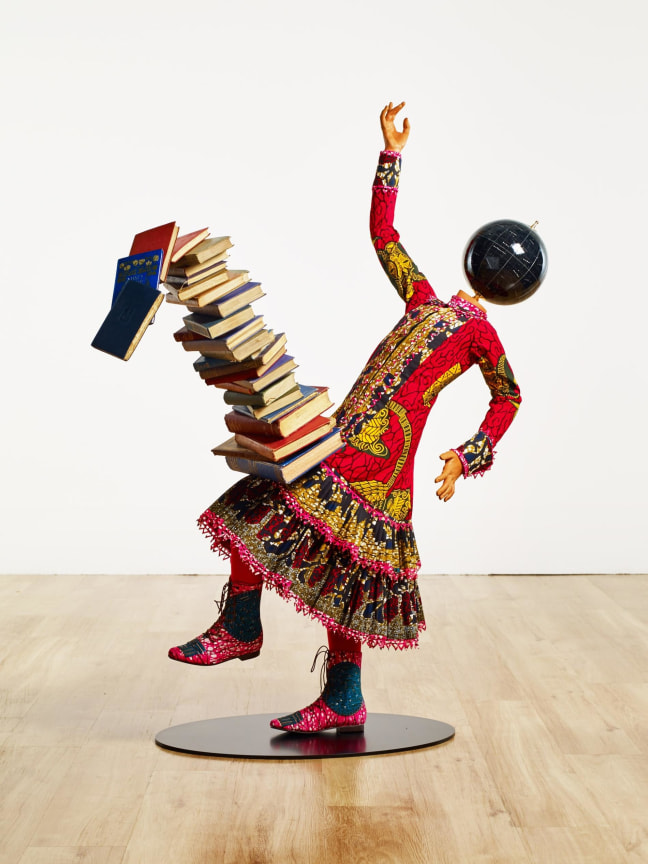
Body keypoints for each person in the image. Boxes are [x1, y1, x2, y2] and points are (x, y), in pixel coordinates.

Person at [168, 102, 522, 734]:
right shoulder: (424, 298)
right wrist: (392, 154)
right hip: (342, 439)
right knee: (261, 496)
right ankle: (244, 626)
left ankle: (341, 694)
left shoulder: (480, 339)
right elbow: (384, 237)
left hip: (383, 466)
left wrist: (467, 456)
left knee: (348, 574)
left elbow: (508, 398)